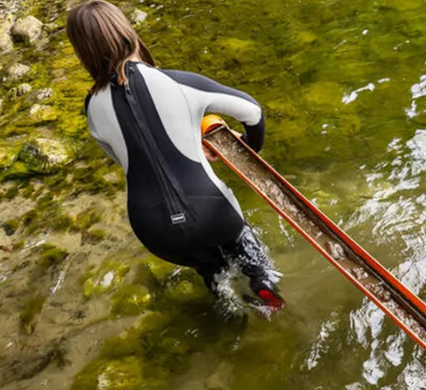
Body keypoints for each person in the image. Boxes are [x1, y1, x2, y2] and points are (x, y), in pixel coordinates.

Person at [66, 0, 284, 313]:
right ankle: (262, 285)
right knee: (245, 249)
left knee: (210, 270)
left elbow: (129, 161)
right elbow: (253, 111)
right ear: (126, 31)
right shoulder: (176, 82)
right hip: (213, 211)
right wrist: (248, 148)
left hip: (154, 230)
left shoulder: (92, 110)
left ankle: (228, 308)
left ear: (82, 52)